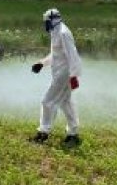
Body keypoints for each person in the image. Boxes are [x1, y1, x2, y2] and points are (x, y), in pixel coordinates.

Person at [30, 8, 82, 146]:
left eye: (46, 21)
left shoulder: (64, 33)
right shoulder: (56, 32)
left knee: (47, 101)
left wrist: (73, 75)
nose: (45, 25)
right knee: (66, 103)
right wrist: (42, 63)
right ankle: (73, 134)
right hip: (60, 73)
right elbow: (56, 54)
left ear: (52, 19)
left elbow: (73, 55)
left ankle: (43, 133)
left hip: (64, 75)